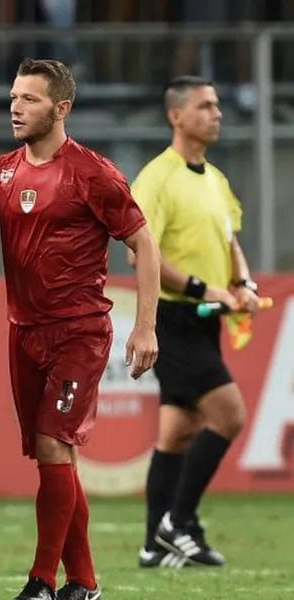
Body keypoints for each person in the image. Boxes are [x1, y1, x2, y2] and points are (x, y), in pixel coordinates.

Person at [0, 58, 161, 600]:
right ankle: (83, 584)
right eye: (14, 96)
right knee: (54, 459)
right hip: (23, 332)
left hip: (79, 332)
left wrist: (147, 326)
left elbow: (143, 244)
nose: (15, 106)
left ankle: (41, 579)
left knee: (53, 445)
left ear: (61, 108)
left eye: (29, 99)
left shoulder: (93, 172)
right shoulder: (2, 171)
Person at [131, 76, 259, 569]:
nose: (217, 112)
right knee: (231, 416)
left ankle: (151, 544)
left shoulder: (216, 180)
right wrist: (208, 289)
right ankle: (176, 523)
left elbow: (230, 242)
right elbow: (142, 252)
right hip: (174, 317)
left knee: (179, 432)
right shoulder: (156, 178)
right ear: (176, 116)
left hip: (206, 320)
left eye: (218, 104)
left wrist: (243, 283)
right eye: (206, 105)